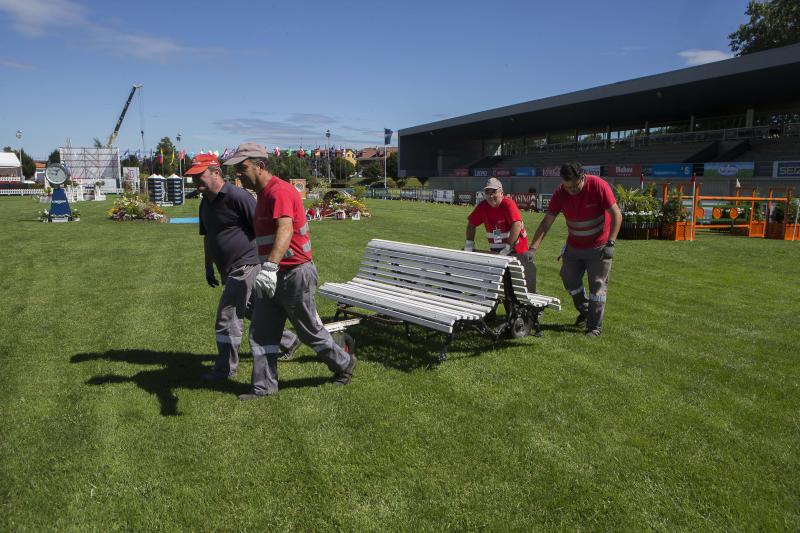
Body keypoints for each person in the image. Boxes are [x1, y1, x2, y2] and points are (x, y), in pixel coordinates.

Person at [222, 143, 357, 400]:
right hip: (273, 277)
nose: (238, 174)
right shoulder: (262, 195)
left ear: (260, 166)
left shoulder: (279, 192)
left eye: (242, 168)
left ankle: (344, 363)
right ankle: (263, 387)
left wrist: (270, 267)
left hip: (294, 274)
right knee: (261, 333)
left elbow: (286, 230)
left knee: (309, 332)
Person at [186, 153, 299, 382]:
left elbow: (261, 227)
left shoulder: (237, 196)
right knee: (252, 311)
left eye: (200, 176)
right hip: (228, 269)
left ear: (216, 173)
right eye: (192, 177)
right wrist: (208, 266)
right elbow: (208, 236)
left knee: (227, 316)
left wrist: (266, 263)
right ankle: (288, 340)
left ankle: (225, 369)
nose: (195, 181)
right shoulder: (205, 202)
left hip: (246, 265)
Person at [528, 162, 622, 338]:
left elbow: (616, 214)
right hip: (574, 247)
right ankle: (585, 309)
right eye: (566, 186)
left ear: (582, 177)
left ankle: (594, 327)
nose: (570, 190)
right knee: (568, 278)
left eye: (574, 185)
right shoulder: (560, 193)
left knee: (598, 287)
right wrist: (533, 248)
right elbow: (546, 222)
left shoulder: (598, 186)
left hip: (599, 246)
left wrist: (611, 243)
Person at [464, 177, 536, 293]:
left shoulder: (508, 203)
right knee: (500, 282)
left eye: (494, 192)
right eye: (487, 192)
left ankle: (528, 300)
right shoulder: (483, 206)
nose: (490, 195)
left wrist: (507, 248)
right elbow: (471, 224)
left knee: (519, 284)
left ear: (501, 192)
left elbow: (516, 225)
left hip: (517, 250)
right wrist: (469, 244)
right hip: (497, 250)